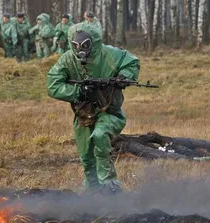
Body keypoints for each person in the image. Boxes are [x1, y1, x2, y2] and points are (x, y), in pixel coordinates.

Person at [47, 23, 140, 194]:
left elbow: (131, 62)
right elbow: (53, 84)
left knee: (100, 136)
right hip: (84, 113)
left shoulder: (109, 54)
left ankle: (109, 186)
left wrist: (124, 77)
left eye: (85, 45)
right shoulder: (67, 60)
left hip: (110, 111)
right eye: (76, 46)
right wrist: (78, 91)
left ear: (94, 42)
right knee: (86, 155)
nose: (81, 49)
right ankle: (92, 191)